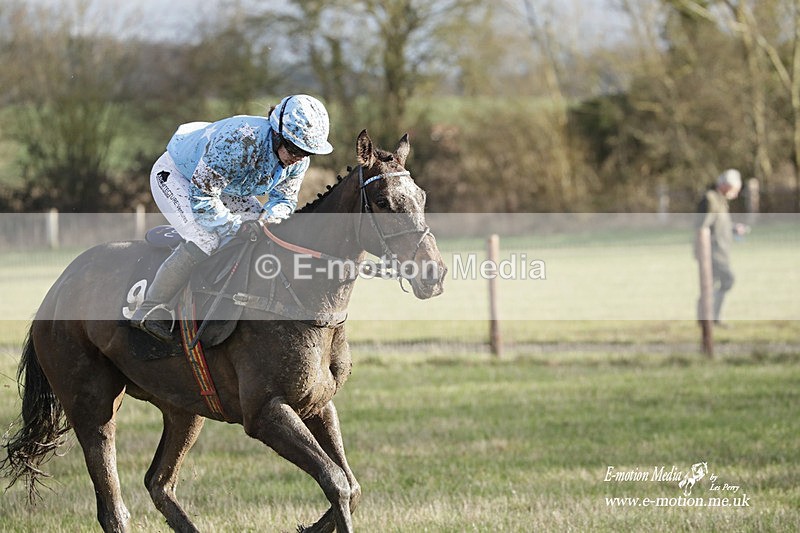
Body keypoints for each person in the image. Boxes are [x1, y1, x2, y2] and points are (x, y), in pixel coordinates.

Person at [131, 94, 334, 341]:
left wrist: (266, 222)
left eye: (306, 151)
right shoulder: (239, 142)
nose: (299, 157)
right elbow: (203, 197)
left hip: (224, 187)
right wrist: (234, 226)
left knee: (265, 234)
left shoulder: (298, 161)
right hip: (179, 176)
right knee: (206, 238)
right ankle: (149, 309)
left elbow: (283, 201)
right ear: (277, 135)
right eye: (295, 148)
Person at [695, 168, 749, 327]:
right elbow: (703, 226)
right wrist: (702, 250)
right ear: (726, 185)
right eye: (735, 189)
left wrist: (733, 228)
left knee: (711, 285)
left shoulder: (720, 200)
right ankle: (709, 319)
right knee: (725, 280)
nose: (736, 194)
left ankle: (709, 319)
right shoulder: (711, 199)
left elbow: (719, 224)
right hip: (711, 252)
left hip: (720, 251)